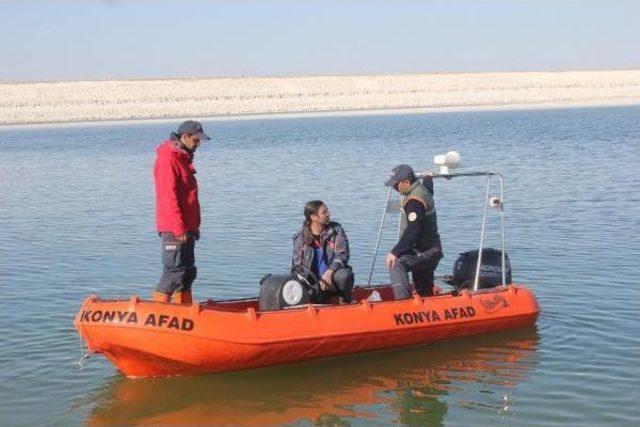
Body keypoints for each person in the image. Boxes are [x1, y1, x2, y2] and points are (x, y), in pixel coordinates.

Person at [153, 120, 211, 304]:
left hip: (187, 229)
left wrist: (193, 227)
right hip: (174, 229)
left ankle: (184, 314)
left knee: (186, 274)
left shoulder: (183, 158)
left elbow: (188, 198)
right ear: (184, 137)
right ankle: (157, 314)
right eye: (196, 140)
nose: (198, 144)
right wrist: (179, 228)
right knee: (174, 274)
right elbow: (168, 197)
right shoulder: (168, 159)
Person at [384, 164, 442, 299]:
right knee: (423, 288)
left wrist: (395, 252)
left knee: (396, 263)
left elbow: (413, 230)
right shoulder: (421, 190)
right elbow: (429, 189)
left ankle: (403, 305)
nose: (394, 188)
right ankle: (425, 303)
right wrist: (428, 177)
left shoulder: (414, 202)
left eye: (396, 184)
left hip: (425, 251)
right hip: (430, 248)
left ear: (406, 182)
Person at [292, 201, 354, 303]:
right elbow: (297, 267)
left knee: (344, 276)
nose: (328, 214)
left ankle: (344, 302)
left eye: (327, 210)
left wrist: (330, 272)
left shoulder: (336, 230)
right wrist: (313, 283)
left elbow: (343, 254)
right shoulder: (300, 238)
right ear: (314, 217)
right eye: (324, 212)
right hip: (313, 282)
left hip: (333, 278)